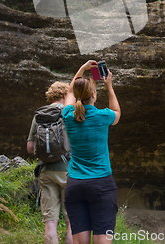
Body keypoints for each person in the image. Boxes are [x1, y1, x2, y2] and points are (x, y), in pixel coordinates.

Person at [62, 60, 121, 244]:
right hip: (101, 184)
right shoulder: (104, 116)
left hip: (75, 185)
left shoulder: (69, 116)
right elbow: (117, 111)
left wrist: (81, 69)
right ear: (94, 94)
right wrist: (109, 86)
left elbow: (70, 92)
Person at [27, 82, 73, 244]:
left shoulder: (40, 114)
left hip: (45, 171)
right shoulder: (68, 112)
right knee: (71, 223)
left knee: (50, 223)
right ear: (64, 96)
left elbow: (30, 147)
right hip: (68, 171)